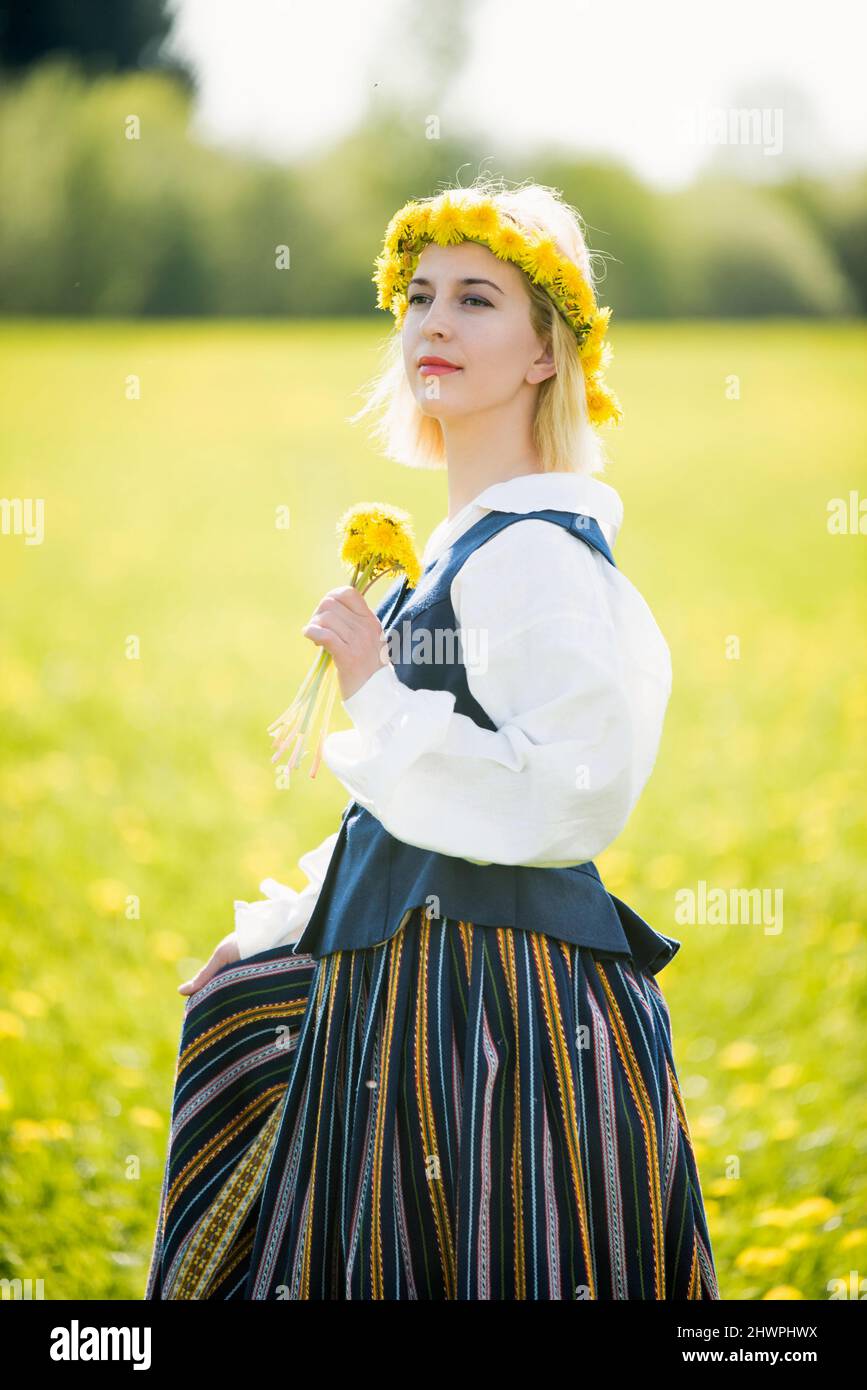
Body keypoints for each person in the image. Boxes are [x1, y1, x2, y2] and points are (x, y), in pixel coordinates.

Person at [145, 177, 720, 1301]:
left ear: (547, 353)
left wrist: (375, 689)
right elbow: (403, 813)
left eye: (477, 300)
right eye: (419, 297)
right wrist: (283, 922)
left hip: (494, 1011)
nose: (435, 324)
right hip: (406, 982)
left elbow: (575, 796)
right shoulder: (470, 545)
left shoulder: (539, 558)